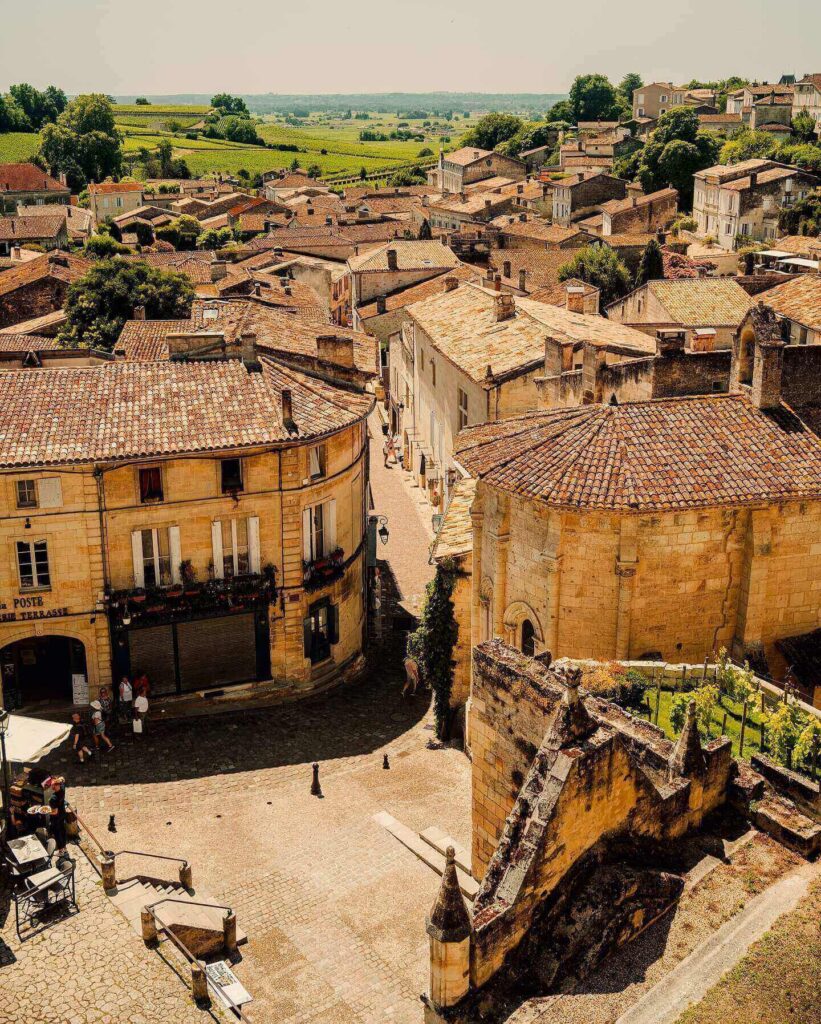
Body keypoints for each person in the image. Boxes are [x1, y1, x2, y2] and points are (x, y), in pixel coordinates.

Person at [47, 777, 68, 859]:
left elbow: (54, 812)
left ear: (55, 786)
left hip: (56, 817)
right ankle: (65, 848)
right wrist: (60, 780)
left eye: (52, 785)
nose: (51, 787)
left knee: (57, 833)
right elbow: (63, 779)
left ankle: (61, 851)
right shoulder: (62, 789)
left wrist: (46, 812)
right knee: (62, 830)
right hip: (62, 813)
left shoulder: (53, 798)